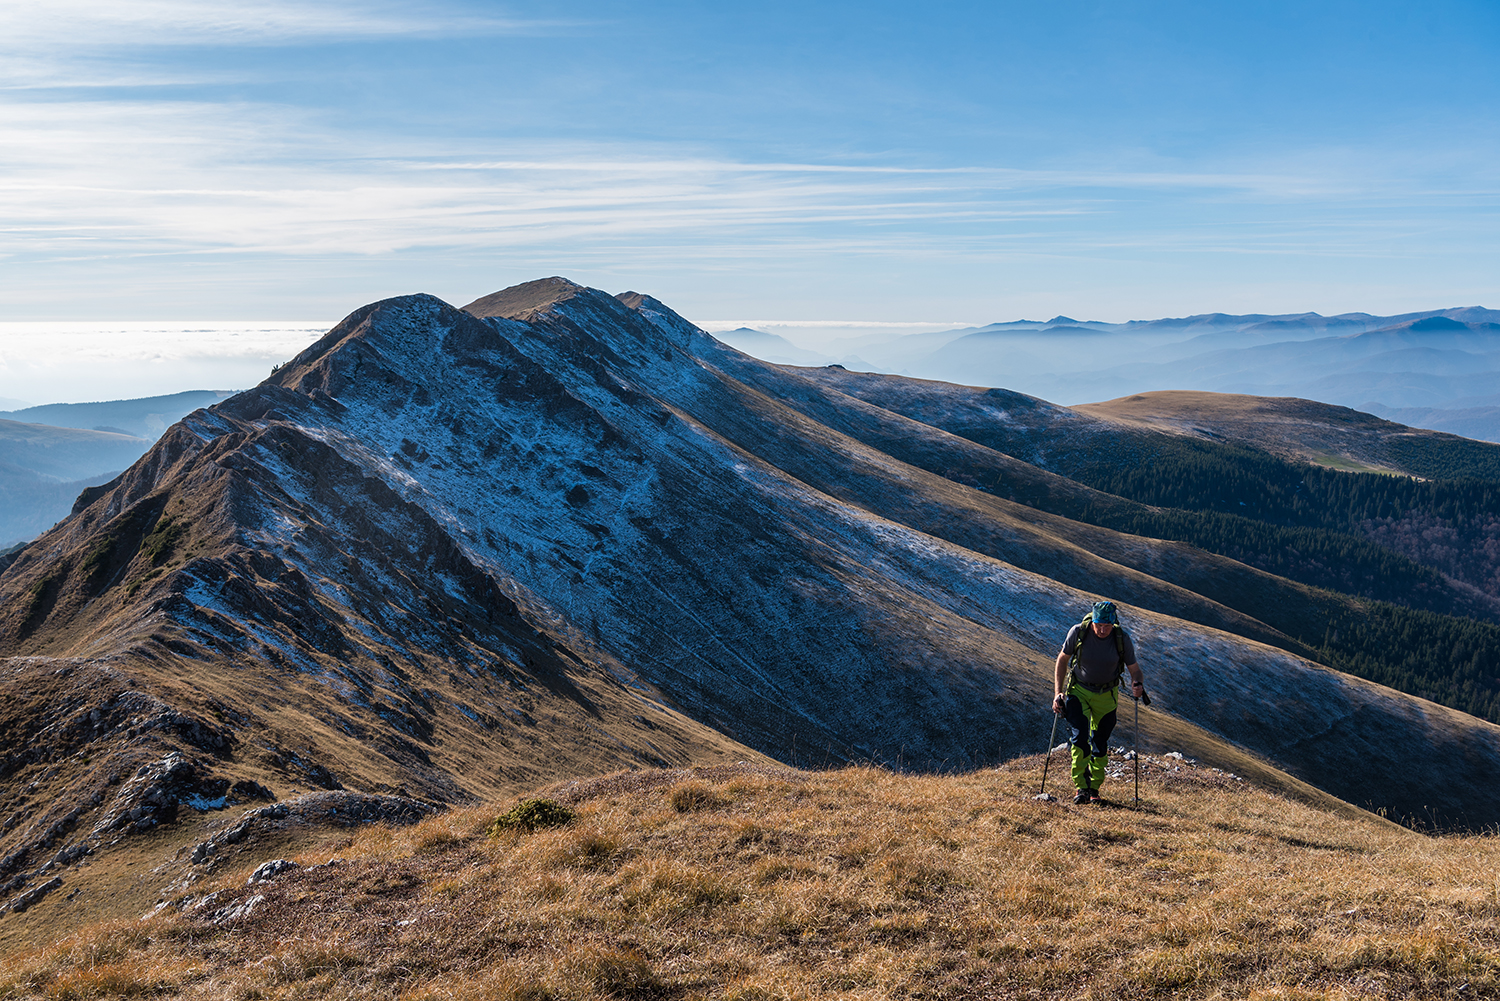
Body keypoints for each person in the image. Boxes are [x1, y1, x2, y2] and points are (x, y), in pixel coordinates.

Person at [1052, 600, 1145, 804]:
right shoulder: (1078, 632)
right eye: (1098, 625)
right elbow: (1062, 660)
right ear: (1092, 621)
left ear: (1114, 624)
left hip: (1107, 696)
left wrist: (1137, 683)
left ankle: (1094, 788)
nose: (1102, 630)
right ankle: (1081, 788)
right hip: (1079, 691)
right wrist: (1058, 693)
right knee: (1080, 738)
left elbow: (1135, 669)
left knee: (1100, 743)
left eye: (1107, 626)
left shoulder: (1122, 639)